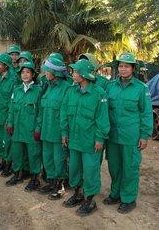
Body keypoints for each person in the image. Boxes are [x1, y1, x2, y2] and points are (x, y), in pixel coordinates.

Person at [104, 52, 153, 213]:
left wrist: (144, 135)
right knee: (114, 167)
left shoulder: (140, 88)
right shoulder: (110, 86)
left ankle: (128, 199)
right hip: (112, 136)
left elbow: (146, 113)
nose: (123, 69)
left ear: (133, 68)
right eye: (121, 66)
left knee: (130, 168)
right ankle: (115, 193)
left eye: (126, 66)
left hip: (131, 136)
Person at [60, 59, 110, 216]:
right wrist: (64, 133)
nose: (73, 74)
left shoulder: (98, 93)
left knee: (90, 171)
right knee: (74, 168)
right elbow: (64, 113)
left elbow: (102, 120)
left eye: (75, 72)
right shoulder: (71, 91)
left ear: (83, 75)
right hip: (74, 139)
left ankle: (90, 200)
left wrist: (100, 139)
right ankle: (78, 194)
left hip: (90, 141)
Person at [6, 61, 43, 191]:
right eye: (23, 72)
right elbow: (11, 109)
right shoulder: (17, 90)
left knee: (33, 154)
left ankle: (35, 179)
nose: (25, 75)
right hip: (17, 128)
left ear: (33, 74)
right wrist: (10, 123)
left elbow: (40, 113)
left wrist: (38, 128)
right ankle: (17, 174)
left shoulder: (38, 91)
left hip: (31, 130)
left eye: (28, 72)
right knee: (16, 153)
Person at [37, 56, 70, 199]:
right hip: (46, 130)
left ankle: (60, 186)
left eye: (48, 70)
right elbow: (41, 110)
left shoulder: (66, 88)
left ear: (55, 72)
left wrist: (65, 133)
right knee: (47, 158)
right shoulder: (46, 86)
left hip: (58, 132)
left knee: (59, 159)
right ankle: (51, 182)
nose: (45, 73)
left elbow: (67, 113)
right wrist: (38, 128)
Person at [0, 53, 16, 177]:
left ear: (6, 66)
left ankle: (8, 163)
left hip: (7, 115)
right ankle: (2, 160)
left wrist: (10, 118)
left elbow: (12, 100)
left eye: (0, 64)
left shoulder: (13, 80)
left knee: (7, 142)